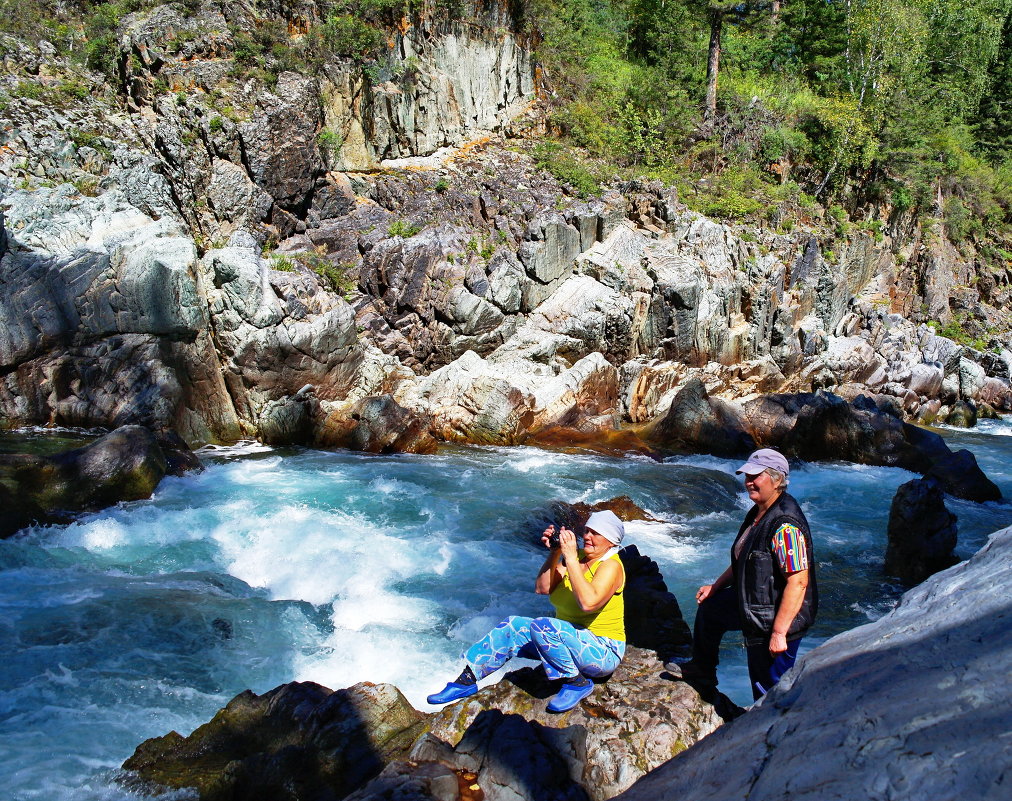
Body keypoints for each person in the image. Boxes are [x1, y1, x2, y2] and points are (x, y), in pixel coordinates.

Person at [427, 510, 627, 712]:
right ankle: (466, 681)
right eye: (586, 530)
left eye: (595, 533)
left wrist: (571, 558)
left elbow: (588, 602)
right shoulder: (580, 558)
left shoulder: (611, 566)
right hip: (567, 640)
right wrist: (556, 552)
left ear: (611, 541)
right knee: (513, 626)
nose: (586, 537)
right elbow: (542, 588)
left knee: (544, 626)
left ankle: (576, 683)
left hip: (603, 650)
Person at [665, 448, 818, 700]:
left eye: (755, 476)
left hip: (776, 618)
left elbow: (798, 581)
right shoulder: (760, 512)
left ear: (777, 479)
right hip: (754, 604)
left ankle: (773, 732)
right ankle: (702, 669)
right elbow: (746, 560)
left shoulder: (785, 525)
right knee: (711, 609)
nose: (748, 481)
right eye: (746, 475)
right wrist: (716, 587)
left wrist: (779, 633)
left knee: (768, 689)